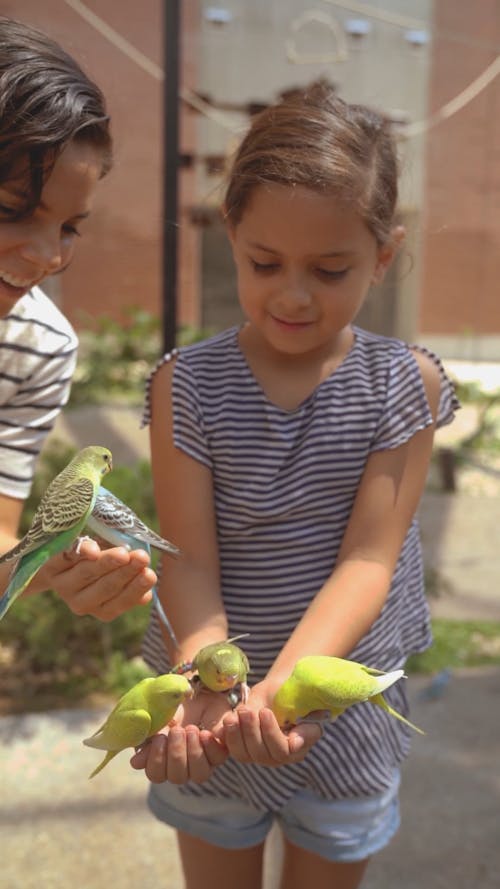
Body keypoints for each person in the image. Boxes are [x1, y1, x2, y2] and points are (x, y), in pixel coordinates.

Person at [131, 82, 459, 889]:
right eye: (264, 262)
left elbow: (368, 562)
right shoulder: (188, 384)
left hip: (340, 717)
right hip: (207, 715)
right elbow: (188, 560)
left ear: (384, 253)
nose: (293, 293)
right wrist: (215, 675)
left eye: (331, 267)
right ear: (229, 234)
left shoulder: (403, 385)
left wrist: (279, 691)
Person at [0, 17, 156, 618]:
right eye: (12, 209)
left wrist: (52, 564)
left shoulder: (37, 346)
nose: (48, 256)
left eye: (69, 227)